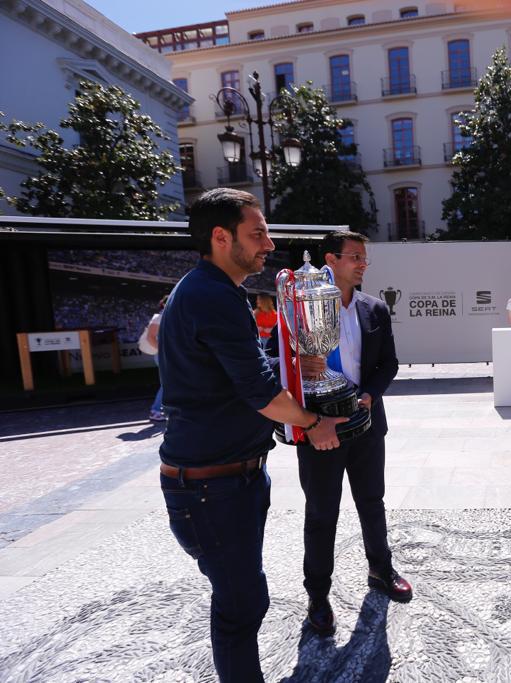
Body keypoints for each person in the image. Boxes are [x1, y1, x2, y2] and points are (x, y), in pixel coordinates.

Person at [158, 188, 343, 682]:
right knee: (241, 605)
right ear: (221, 238)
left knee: (241, 599)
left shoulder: (212, 291)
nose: (268, 242)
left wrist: (296, 364)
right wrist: (313, 422)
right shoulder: (211, 295)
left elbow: (244, 372)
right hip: (209, 488)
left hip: (224, 481)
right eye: (257, 232)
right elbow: (260, 393)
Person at [283, 229, 410, 636]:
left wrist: (370, 396)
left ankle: (381, 570)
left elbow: (388, 364)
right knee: (322, 515)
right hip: (318, 429)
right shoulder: (298, 305)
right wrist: (297, 368)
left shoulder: (374, 309)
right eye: (354, 256)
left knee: (372, 502)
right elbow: (270, 358)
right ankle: (318, 597)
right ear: (330, 260)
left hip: (367, 425)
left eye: (364, 257)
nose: (362, 264)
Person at [141, 294, 169, 421]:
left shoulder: (167, 316)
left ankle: (160, 410)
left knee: (169, 383)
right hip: (163, 355)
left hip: (166, 354)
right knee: (167, 383)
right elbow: (150, 337)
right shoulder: (160, 317)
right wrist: (162, 352)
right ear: (163, 304)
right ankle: (156, 410)